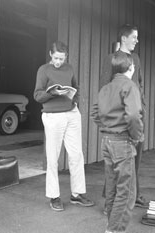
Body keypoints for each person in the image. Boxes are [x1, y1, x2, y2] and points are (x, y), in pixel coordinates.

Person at [34, 41, 94, 211]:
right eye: (55, 58)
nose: (58, 62)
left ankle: (77, 194)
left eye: (61, 58)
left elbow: (76, 87)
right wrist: (50, 93)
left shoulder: (70, 68)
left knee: (76, 155)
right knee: (53, 157)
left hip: (72, 113)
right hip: (53, 116)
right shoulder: (43, 70)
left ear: (66, 56)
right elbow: (37, 95)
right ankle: (54, 196)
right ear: (50, 55)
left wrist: (74, 98)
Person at [93, 52, 143, 233]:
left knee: (113, 188)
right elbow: (133, 116)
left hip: (107, 140)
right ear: (131, 68)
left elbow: (95, 113)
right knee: (127, 191)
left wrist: (108, 127)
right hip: (123, 141)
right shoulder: (130, 86)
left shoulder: (106, 88)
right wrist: (136, 136)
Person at [100, 24, 148, 209]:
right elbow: (104, 88)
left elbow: (140, 83)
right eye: (134, 37)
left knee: (135, 157)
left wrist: (141, 106)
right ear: (124, 38)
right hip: (119, 119)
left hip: (136, 114)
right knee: (115, 164)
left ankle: (133, 194)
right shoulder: (111, 59)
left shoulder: (136, 58)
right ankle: (109, 202)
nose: (137, 40)